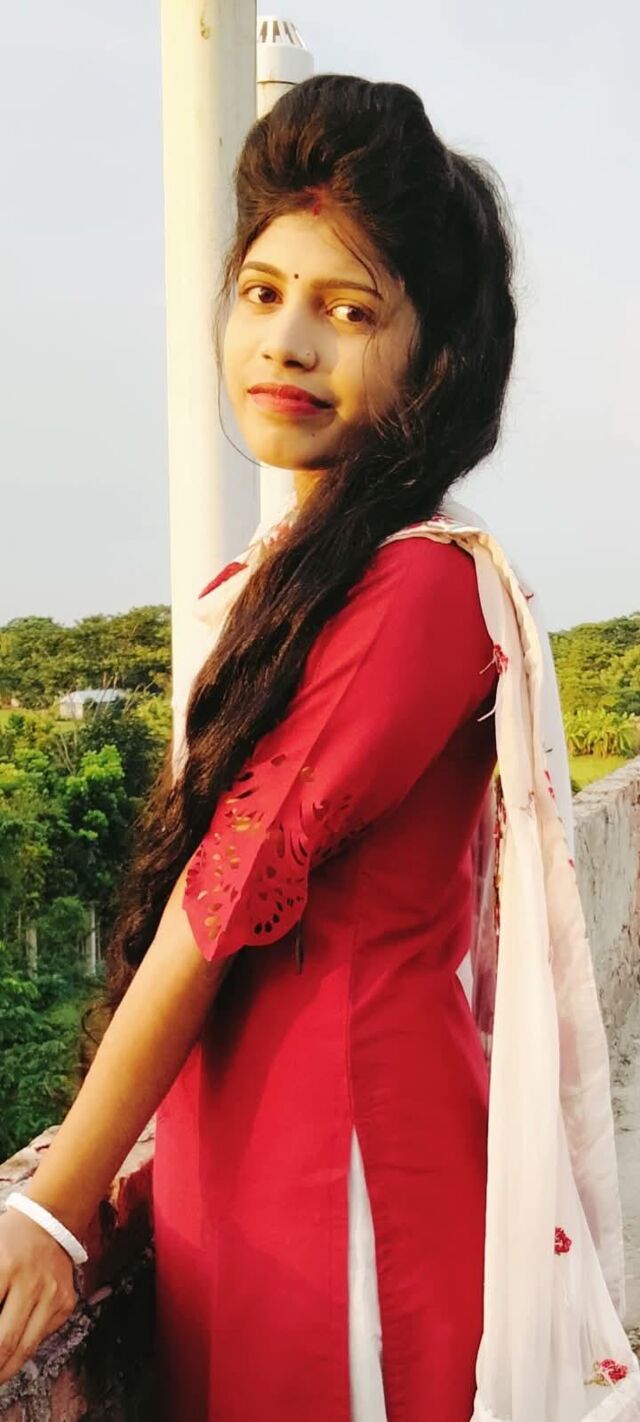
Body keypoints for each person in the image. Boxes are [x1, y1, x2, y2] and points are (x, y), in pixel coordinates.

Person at [0, 75, 635, 1422]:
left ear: (432, 360)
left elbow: (217, 900)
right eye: (264, 291)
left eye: (349, 311)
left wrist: (52, 1208)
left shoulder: (419, 587)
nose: (287, 341)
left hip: (351, 1183)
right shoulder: (284, 580)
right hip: (239, 1160)